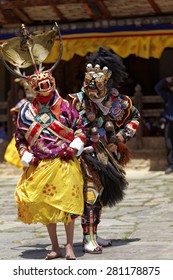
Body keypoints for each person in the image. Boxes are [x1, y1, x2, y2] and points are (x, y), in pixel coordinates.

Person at [0, 23, 86, 260]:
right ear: (34, 90)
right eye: (40, 90)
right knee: (46, 206)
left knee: (67, 205)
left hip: (64, 161)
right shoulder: (27, 110)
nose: (45, 93)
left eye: (47, 89)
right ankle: (55, 246)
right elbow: (19, 138)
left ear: (53, 85)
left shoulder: (66, 107)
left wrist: (74, 146)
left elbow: (80, 129)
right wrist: (26, 155)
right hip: (40, 164)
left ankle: (69, 245)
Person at [68, 47, 141, 254]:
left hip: (107, 154)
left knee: (98, 196)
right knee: (89, 195)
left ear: (107, 85)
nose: (91, 89)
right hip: (83, 154)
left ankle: (94, 233)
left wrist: (122, 135)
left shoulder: (119, 102)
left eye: (97, 86)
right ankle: (87, 238)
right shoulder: (75, 100)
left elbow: (134, 118)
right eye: (88, 84)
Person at [4, 78, 34, 169]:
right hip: (25, 133)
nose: (29, 92)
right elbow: (14, 114)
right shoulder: (23, 103)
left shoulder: (40, 103)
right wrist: (20, 126)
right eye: (27, 90)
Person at [154, 77, 173, 174]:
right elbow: (157, 88)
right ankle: (171, 165)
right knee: (169, 145)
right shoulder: (168, 95)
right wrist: (165, 80)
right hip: (169, 121)